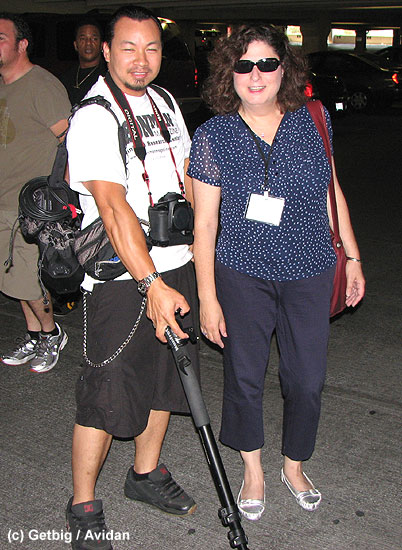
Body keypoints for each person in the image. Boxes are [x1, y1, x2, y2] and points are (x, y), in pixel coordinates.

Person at [188, 24, 365, 521]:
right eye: (243, 65)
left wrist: (353, 257)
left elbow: (333, 192)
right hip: (242, 271)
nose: (256, 75)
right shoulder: (213, 135)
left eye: (267, 63)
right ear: (229, 73)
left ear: (284, 69)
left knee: (306, 379)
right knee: (244, 375)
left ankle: (293, 464)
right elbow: (204, 225)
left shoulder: (314, 119)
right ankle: (254, 469)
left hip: (310, 268)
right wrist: (208, 297)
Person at [65, 6, 199, 549]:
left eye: (151, 48)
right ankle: (83, 505)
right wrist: (152, 285)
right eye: (128, 48)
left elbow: (186, 176)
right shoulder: (95, 115)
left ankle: (145, 473)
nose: (141, 60)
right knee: (108, 391)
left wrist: (201, 252)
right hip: (125, 278)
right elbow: (114, 208)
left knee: (167, 378)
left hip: (176, 262)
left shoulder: (165, 102)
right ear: (106, 51)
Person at [0, 13, 70, 373]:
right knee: (12, 279)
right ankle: (35, 334)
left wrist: (60, 200)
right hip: (3, 201)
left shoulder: (41, 85)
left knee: (29, 281)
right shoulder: (3, 86)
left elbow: (70, 141)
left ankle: (51, 334)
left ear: (22, 44)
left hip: (30, 207)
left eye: (1, 38)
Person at [60, 17, 107, 106]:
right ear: (75, 45)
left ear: (101, 45)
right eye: (83, 39)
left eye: (94, 39)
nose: (88, 43)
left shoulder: (108, 76)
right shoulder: (66, 77)